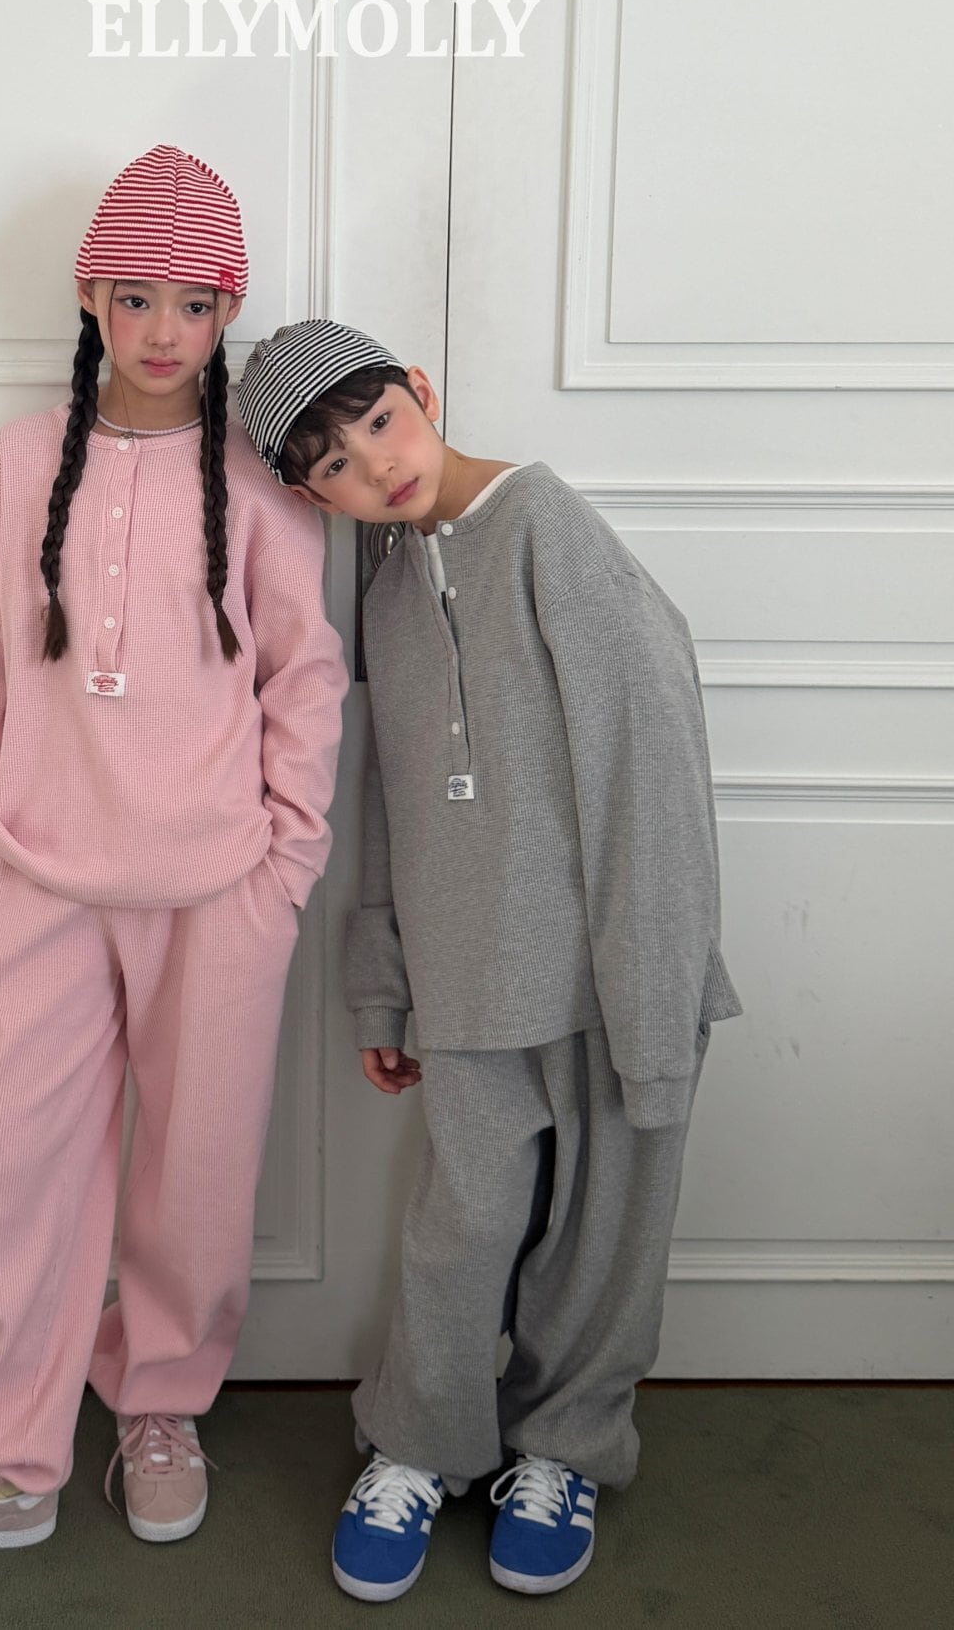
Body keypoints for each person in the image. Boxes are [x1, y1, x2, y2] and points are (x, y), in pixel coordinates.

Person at [0, 149, 348, 1579]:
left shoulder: (262, 479)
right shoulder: (14, 463)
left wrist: (286, 860)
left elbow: (306, 677)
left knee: (197, 1170)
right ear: (88, 299)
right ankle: (2, 1464)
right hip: (33, 873)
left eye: (194, 302)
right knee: (7, 1166)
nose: (163, 330)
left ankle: (161, 1401)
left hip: (219, 885)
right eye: (134, 298)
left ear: (227, 310)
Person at [236, 319, 743, 1602]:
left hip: (613, 971)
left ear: (421, 389)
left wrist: (654, 982)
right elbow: (389, 798)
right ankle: (417, 1444)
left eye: (378, 422)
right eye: (333, 463)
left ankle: (562, 1449)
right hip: (466, 978)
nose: (375, 465)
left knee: (601, 1237)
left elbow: (649, 760)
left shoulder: (544, 525)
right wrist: (382, 983)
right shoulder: (384, 591)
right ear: (311, 496)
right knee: (458, 1233)